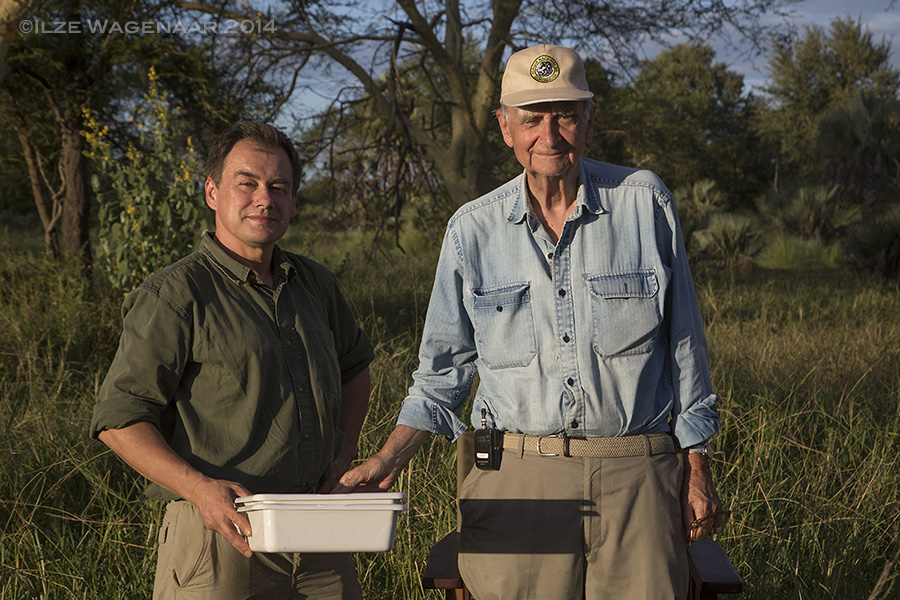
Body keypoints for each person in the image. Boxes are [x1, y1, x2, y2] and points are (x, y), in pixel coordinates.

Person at [333, 44, 724, 599]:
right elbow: (442, 374)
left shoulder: (644, 202)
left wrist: (698, 467)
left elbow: (685, 346)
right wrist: (388, 457)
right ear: (504, 127)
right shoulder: (471, 231)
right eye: (532, 118)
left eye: (565, 114)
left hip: (637, 474)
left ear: (590, 120)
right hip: (516, 478)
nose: (550, 134)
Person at [91, 121, 374, 600]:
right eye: (247, 183)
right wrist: (199, 488)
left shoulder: (317, 285)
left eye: (279, 187)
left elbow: (355, 370)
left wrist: (342, 457)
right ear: (212, 192)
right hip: (219, 536)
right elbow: (118, 419)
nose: (265, 199)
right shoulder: (175, 296)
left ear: (293, 201)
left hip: (319, 533)